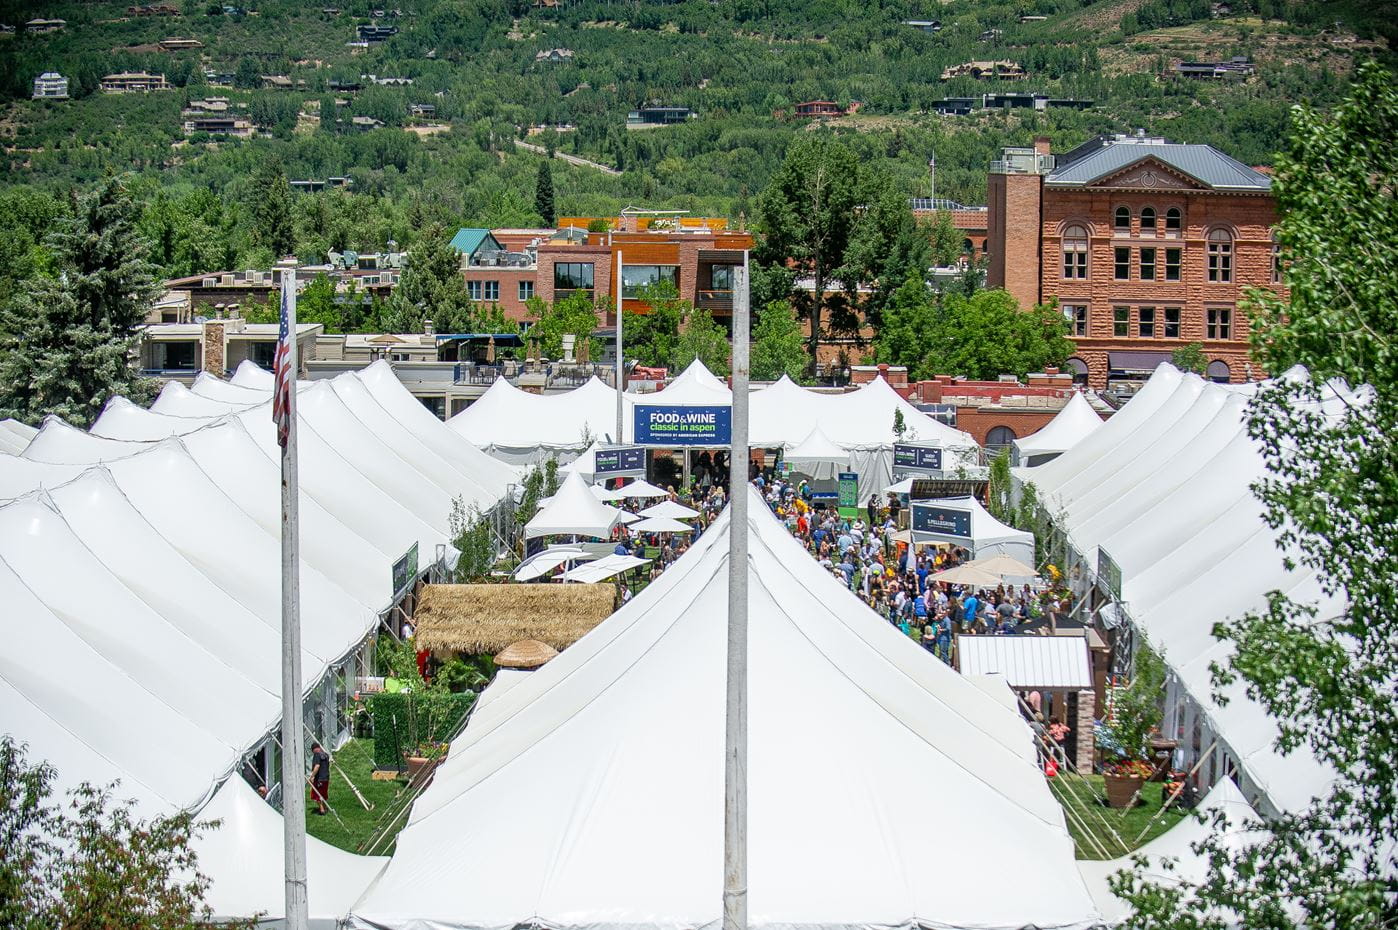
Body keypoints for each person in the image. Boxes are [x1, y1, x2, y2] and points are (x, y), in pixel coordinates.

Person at [309, 742, 330, 816]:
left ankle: (322, 810)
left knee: (316, 794)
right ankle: (325, 808)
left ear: (314, 749)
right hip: (326, 778)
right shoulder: (326, 755)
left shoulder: (317, 755)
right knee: (323, 794)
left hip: (319, 779)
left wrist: (312, 776)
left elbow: (317, 766)